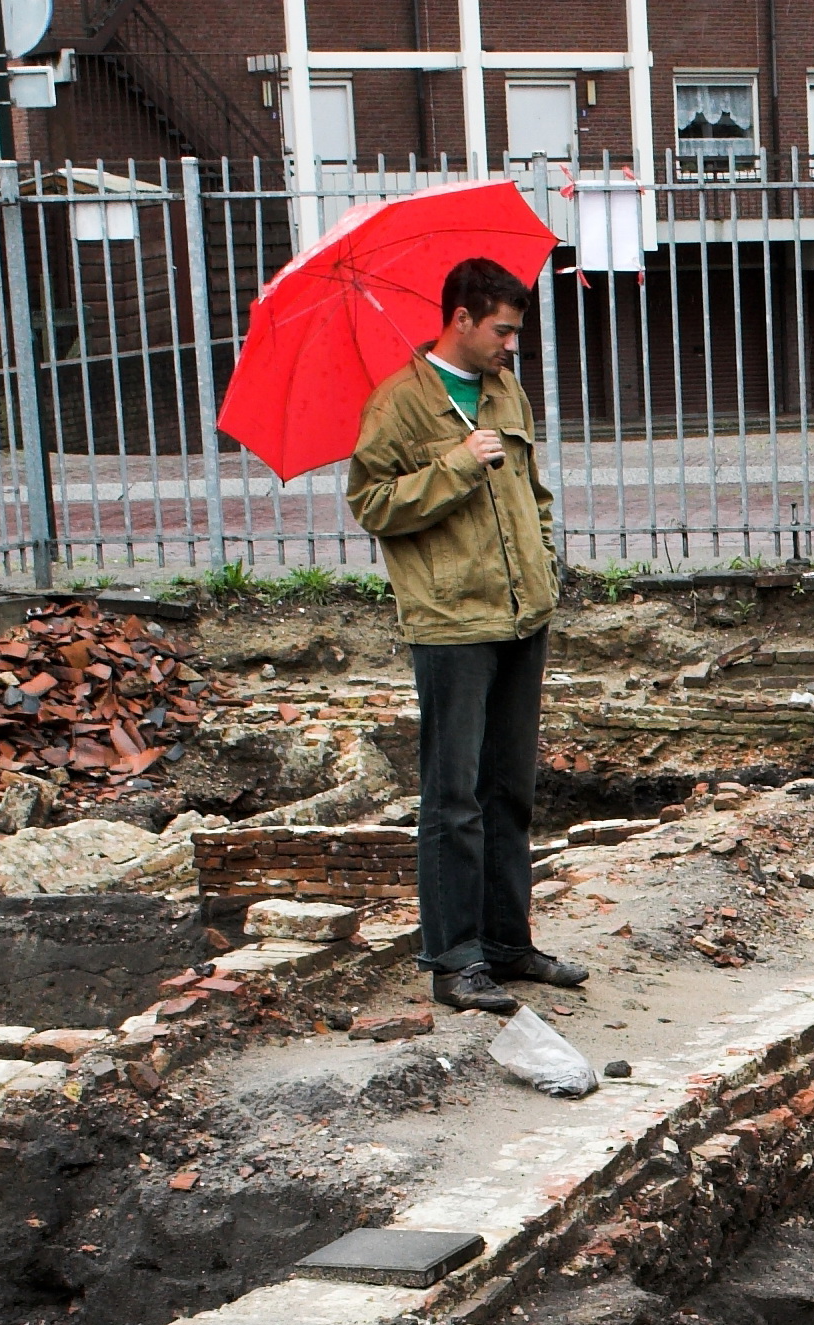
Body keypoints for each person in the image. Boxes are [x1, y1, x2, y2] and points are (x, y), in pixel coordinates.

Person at [347, 256, 588, 1015]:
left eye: (515, 331)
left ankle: (507, 943)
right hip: (451, 621)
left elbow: (532, 492)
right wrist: (455, 463)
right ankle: (453, 960)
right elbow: (373, 504)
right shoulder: (399, 404)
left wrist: (544, 563)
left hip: (522, 613)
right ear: (460, 319)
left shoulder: (501, 392)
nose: (512, 344)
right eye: (502, 330)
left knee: (509, 787)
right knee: (452, 796)